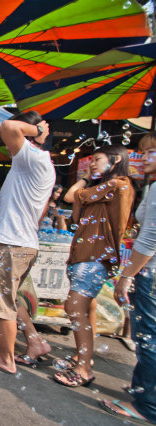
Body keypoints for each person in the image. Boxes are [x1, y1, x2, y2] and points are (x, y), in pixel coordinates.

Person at [0, 110, 55, 374]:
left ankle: (5, 358)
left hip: (10, 244)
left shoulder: (31, 157)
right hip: (24, 242)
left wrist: (38, 132)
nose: (7, 147)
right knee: (13, 300)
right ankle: (35, 342)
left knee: (0, 303)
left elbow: (8, 126)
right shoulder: (41, 164)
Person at [52, 145, 135, 387]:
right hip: (89, 254)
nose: (92, 164)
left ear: (116, 159)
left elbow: (70, 196)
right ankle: (82, 357)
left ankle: (84, 368)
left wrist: (86, 178)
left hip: (94, 256)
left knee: (74, 307)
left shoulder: (117, 185)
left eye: (97, 160)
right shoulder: (107, 190)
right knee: (86, 308)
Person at [100, 132, 156, 423]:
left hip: (149, 273)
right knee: (147, 334)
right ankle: (142, 388)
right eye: (144, 153)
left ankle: (148, 405)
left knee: (149, 337)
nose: (144, 158)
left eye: (151, 152)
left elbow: (149, 241)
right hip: (148, 272)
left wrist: (126, 276)